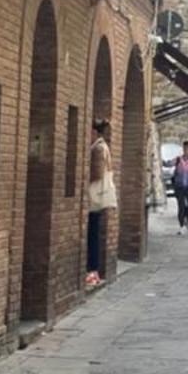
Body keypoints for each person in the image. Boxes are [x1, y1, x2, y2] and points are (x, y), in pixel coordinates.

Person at [86, 119, 117, 288]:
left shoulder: (98, 148)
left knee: (92, 233)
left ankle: (92, 270)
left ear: (95, 132)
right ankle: (93, 270)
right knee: (93, 232)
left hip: (94, 197)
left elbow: (97, 173)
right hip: (98, 197)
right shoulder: (103, 146)